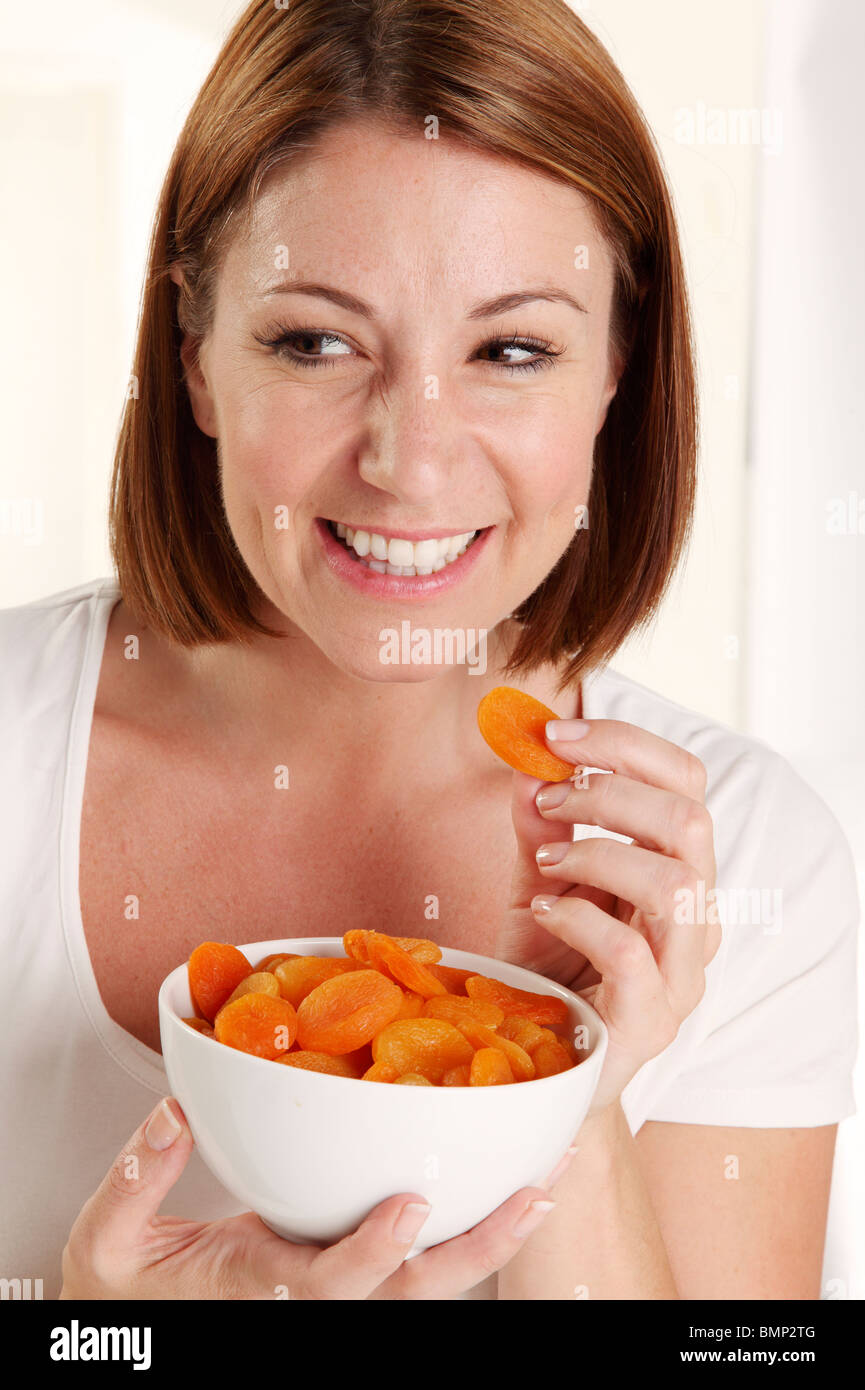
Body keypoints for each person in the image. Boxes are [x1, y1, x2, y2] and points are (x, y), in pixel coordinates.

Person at [0, 0, 857, 1301]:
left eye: (512, 348)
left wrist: (571, 1091)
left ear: (615, 374)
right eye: (315, 342)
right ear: (193, 363)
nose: (409, 462)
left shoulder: (743, 862)